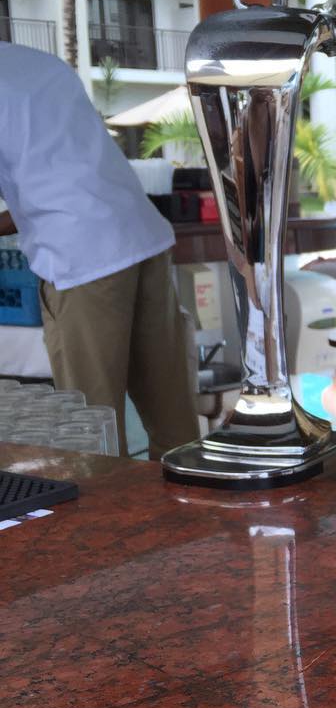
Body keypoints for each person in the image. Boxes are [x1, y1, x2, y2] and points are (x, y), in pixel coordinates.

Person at [0, 41, 199, 459]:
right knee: (175, 425)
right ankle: (201, 520)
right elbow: (59, 180)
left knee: (93, 433)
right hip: (141, 237)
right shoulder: (41, 64)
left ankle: (115, 524)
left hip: (82, 260)